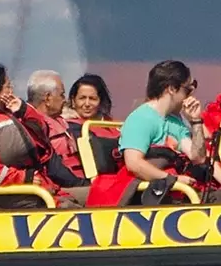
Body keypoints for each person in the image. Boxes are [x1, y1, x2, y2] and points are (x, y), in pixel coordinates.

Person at [0, 64, 86, 206]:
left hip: (39, 186)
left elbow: (42, 130)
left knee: (98, 194)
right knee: (74, 209)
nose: (12, 90)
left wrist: (23, 110)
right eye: (8, 86)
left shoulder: (8, 114)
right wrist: (23, 177)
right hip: (12, 194)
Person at [85, 60, 208, 208]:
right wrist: (173, 179)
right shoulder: (141, 119)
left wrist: (196, 121)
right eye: (187, 90)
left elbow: (198, 157)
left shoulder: (174, 122)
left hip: (177, 192)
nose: (190, 96)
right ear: (171, 89)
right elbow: (134, 163)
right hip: (154, 197)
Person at [25, 69, 88, 184]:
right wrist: (82, 184)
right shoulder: (32, 126)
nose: (65, 100)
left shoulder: (66, 121)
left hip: (82, 181)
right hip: (62, 186)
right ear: (48, 98)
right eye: (62, 95)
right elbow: (53, 169)